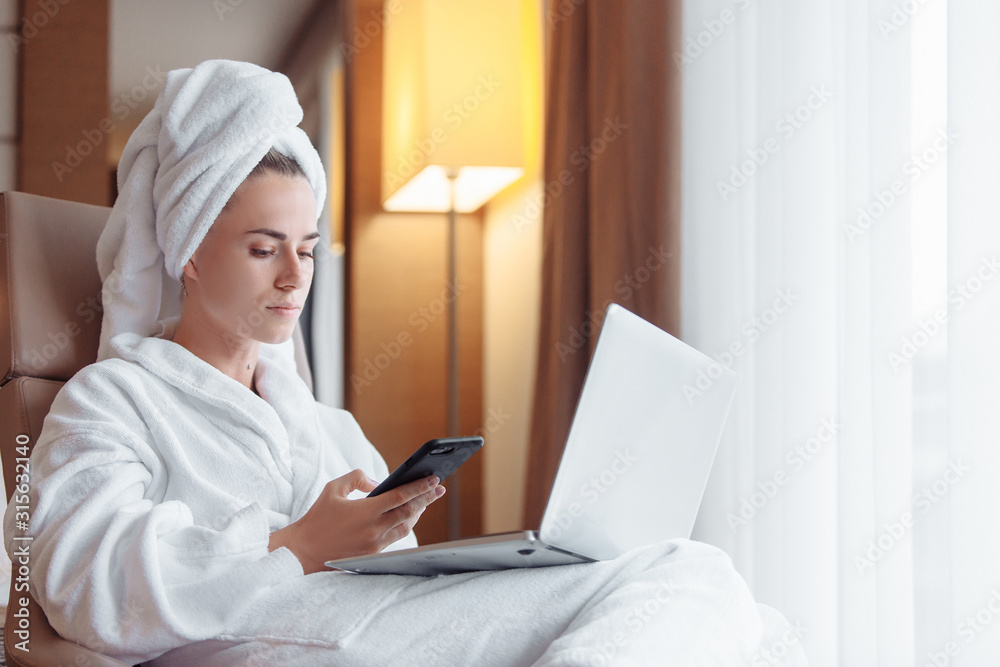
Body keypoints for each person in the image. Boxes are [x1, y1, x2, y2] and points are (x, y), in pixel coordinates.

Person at [3, 60, 806, 666]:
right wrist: (294, 545)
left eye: (307, 249)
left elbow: (386, 573)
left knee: (751, 622)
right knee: (688, 578)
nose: (294, 278)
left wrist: (432, 555)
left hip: (369, 626)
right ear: (188, 253)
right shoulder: (111, 400)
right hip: (261, 643)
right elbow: (77, 577)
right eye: (263, 248)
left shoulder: (324, 425)